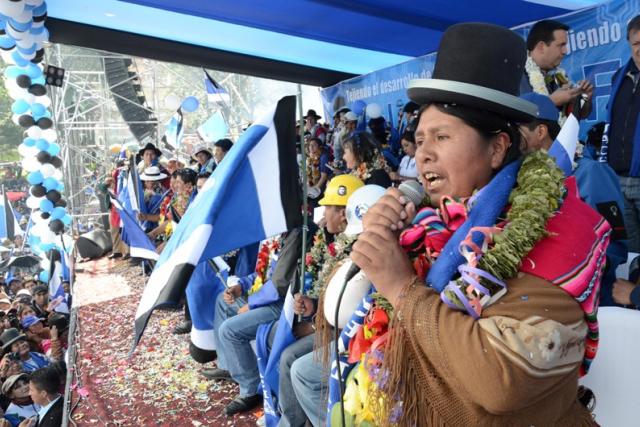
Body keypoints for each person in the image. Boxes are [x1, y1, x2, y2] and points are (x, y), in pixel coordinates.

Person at [344, 23, 607, 425]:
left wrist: (401, 288)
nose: (423, 155)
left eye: (442, 137)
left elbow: (499, 382)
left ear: (497, 148)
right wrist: (381, 242)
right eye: (420, 139)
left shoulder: (560, 227)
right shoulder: (430, 223)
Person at [520, 93, 628, 307]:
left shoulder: (590, 173)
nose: (511, 140)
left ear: (540, 132)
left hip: (590, 300)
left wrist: (574, 271)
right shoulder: (520, 176)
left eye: (518, 131)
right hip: (538, 297)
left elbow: (614, 244)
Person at [208, 224, 315, 416]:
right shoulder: (280, 233)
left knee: (229, 331)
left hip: (282, 305)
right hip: (265, 298)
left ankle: (250, 390)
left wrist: (251, 304)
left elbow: (279, 285)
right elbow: (263, 273)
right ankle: (228, 365)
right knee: (222, 302)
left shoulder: (297, 234)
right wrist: (240, 286)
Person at [607, 15, 640, 253]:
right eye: (636, 43)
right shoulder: (619, 77)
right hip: (617, 179)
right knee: (630, 252)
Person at [521, 19, 593, 122]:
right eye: (561, 45)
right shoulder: (516, 75)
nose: (565, 51)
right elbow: (516, 114)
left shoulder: (559, 76)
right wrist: (551, 101)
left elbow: (580, 115)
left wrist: (585, 98)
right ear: (541, 46)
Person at [306, 137, 332, 201]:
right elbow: (309, 174)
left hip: (323, 187)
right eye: (310, 145)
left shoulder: (324, 157)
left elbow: (324, 177)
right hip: (315, 185)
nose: (311, 147)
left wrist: (314, 191)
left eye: (314, 145)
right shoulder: (312, 156)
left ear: (320, 147)